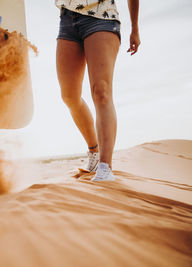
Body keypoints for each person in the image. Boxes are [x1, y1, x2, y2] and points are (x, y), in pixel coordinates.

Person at [55, 0, 140, 181]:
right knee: (69, 96)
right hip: (67, 20)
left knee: (101, 92)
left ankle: (105, 167)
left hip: (103, 18)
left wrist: (135, 27)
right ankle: (94, 152)